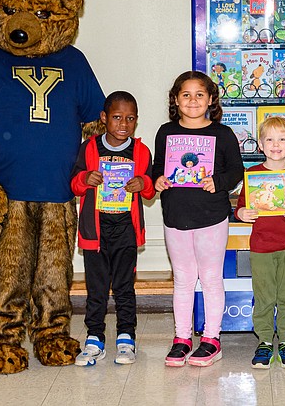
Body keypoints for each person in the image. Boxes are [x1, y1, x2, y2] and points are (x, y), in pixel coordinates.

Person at [153, 71, 244, 367]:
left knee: (210, 278)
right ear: (176, 100)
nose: (193, 100)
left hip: (211, 217)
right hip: (175, 217)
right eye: (186, 95)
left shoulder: (223, 134)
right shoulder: (166, 132)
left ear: (211, 99)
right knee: (182, 279)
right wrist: (158, 180)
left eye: (200, 95)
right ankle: (182, 338)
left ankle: (211, 339)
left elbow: (235, 171)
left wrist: (218, 181)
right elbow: (157, 167)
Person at [70, 91, 156, 366]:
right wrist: (86, 178)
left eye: (130, 119)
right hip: (95, 231)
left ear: (136, 121)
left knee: (123, 287)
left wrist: (143, 183)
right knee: (96, 288)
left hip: (126, 230)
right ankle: (94, 338)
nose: (123, 124)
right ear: (104, 118)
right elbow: (74, 184)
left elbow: (150, 189)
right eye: (117, 117)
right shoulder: (89, 148)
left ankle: (126, 338)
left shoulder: (141, 151)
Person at [235, 117, 285, 369]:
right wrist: (241, 213)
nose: (275, 144)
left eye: (281, 139)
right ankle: (265, 341)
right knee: (264, 297)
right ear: (260, 144)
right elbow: (242, 205)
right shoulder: (252, 174)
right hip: (261, 247)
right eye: (269, 139)